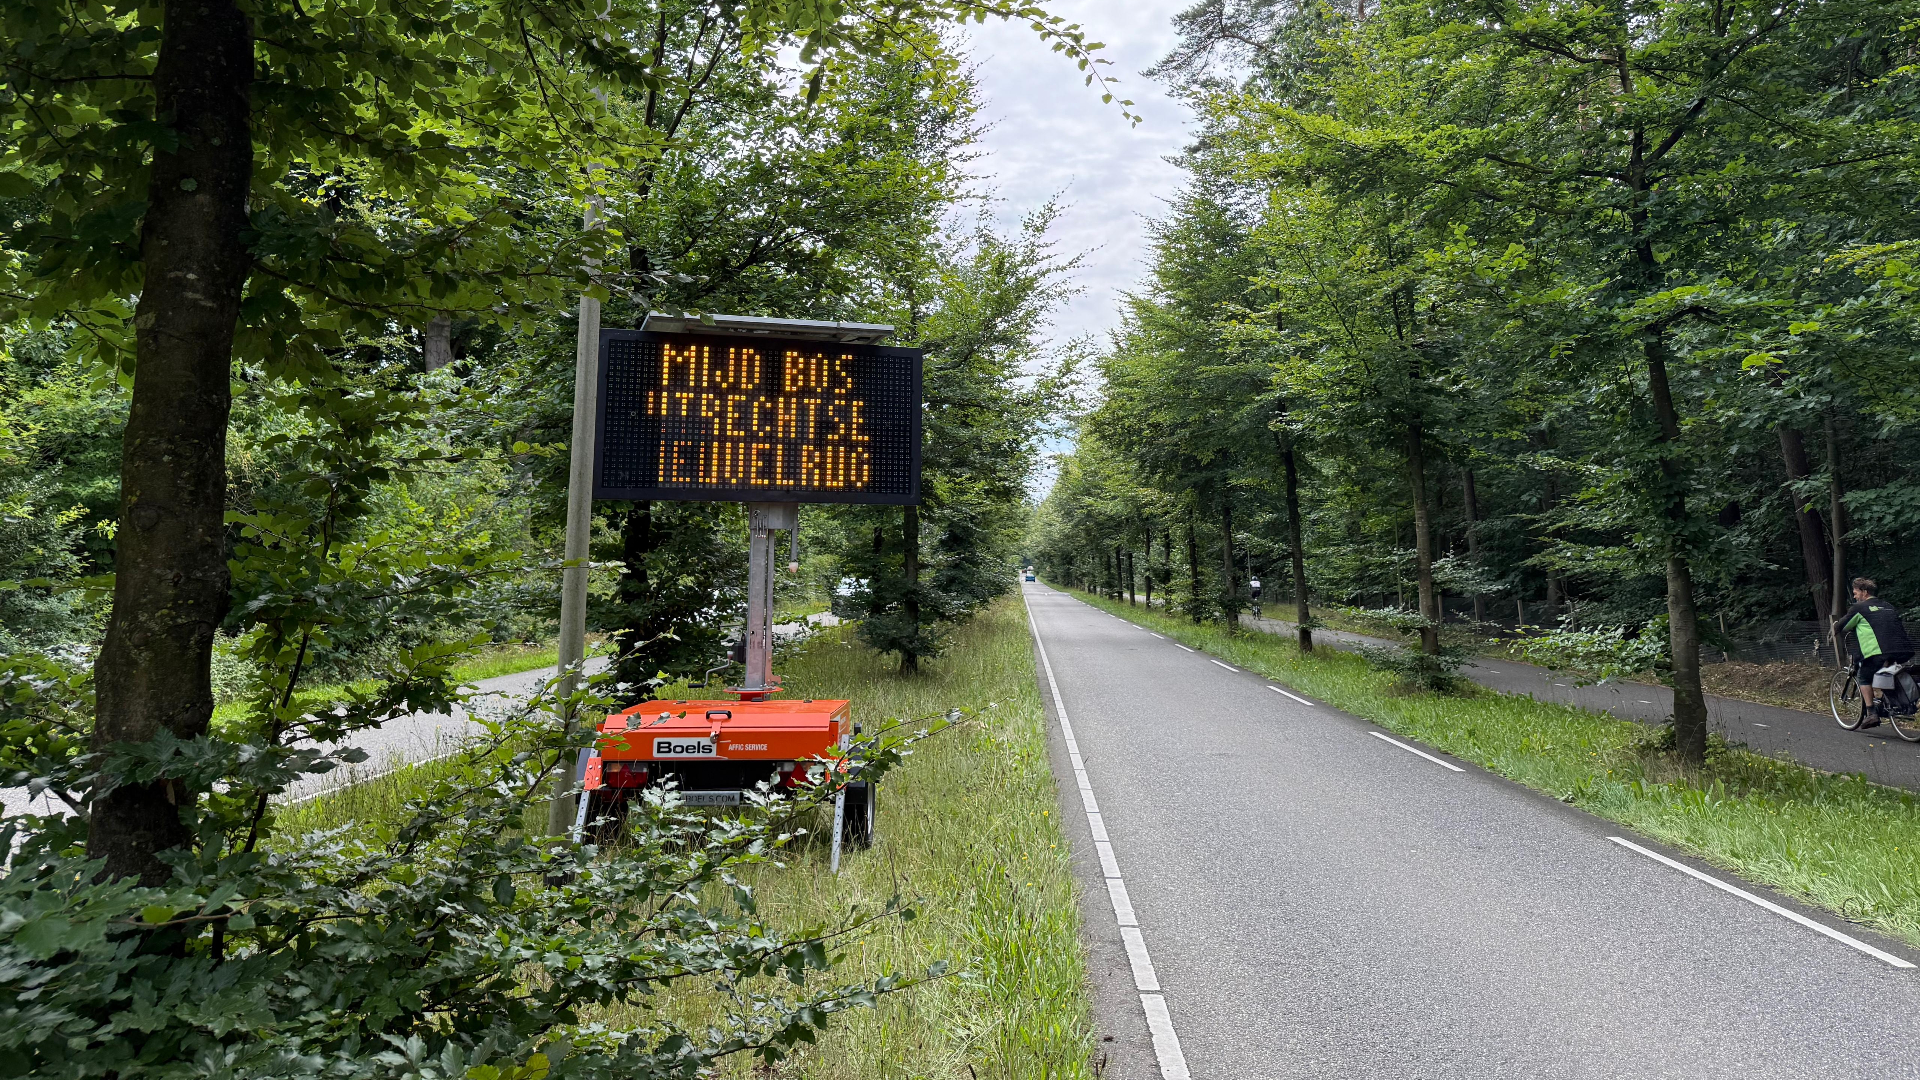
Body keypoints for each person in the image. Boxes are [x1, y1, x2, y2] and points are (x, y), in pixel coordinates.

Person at [1840, 577, 1913, 716]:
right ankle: (1894, 704)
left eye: (1855, 593)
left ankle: (1871, 712)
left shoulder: (1859, 608)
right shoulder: (1888, 605)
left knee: (1864, 677)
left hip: (1880, 651)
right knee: (1886, 673)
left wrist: (1834, 628)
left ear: (1864, 592)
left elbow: (1843, 625)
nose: (1854, 596)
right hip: (1903, 649)